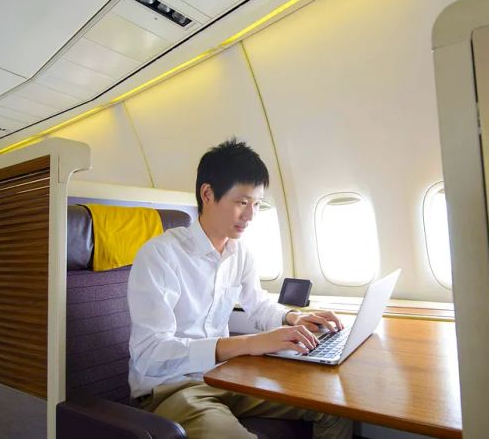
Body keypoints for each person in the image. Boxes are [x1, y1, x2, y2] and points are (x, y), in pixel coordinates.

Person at [127, 138, 353, 438]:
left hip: (227, 376)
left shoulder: (240, 253)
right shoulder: (160, 255)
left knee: (333, 407)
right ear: (207, 194)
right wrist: (250, 343)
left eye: (257, 204)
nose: (250, 216)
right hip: (172, 388)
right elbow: (150, 354)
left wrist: (293, 319)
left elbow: (258, 304)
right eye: (241, 202)